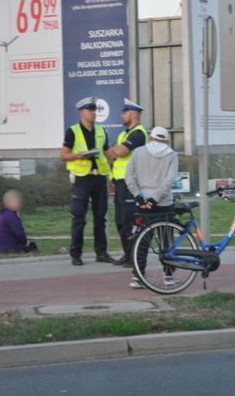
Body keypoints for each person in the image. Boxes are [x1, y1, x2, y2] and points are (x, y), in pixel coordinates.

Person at [60, 97, 115, 266]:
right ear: (81, 112)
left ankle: (101, 252)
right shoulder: (73, 131)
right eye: (90, 110)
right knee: (79, 217)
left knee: (100, 217)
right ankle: (76, 254)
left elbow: (107, 154)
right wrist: (78, 155)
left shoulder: (101, 130)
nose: (93, 113)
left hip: (99, 177)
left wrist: (111, 177)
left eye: (95, 110)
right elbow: (63, 155)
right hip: (82, 178)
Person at [125, 126, 179, 289]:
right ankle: (168, 276)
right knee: (166, 241)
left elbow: (128, 176)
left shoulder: (138, 152)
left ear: (150, 138)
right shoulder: (172, 154)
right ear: (167, 141)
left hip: (143, 205)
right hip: (164, 204)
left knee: (141, 241)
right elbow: (169, 180)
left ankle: (138, 276)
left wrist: (139, 196)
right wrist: (155, 199)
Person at [106, 98, 149, 267]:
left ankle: (135, 257)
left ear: (134, 114)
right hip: (119, 182)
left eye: (125, 112)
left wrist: (114, 151)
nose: (121, 115)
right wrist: (113, 152)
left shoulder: (138, 133)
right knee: (120, 220)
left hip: (131, 183)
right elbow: (112, 154)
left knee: (131, 221)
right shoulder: (124, 134)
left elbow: (120, 151)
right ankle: (127, 253)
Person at [0, 189, 38, 254]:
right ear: (10, 202)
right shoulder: (11, 216)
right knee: (33, 246)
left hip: (2, 248)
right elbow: (19, 232)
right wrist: (25, 242)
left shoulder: (3, 216)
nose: (19, 204)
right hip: (12, 248)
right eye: (17, 201)